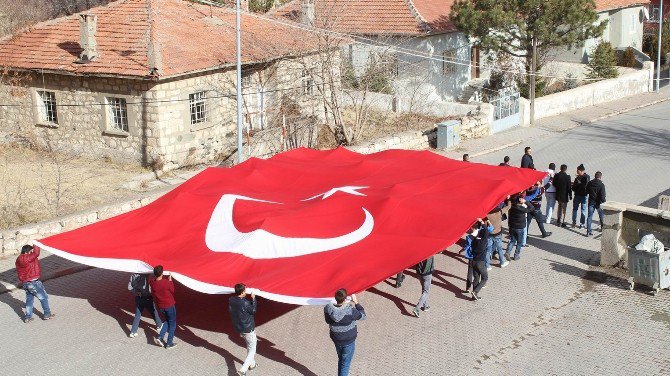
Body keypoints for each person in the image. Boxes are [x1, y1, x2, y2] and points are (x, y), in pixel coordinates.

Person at [324, 289, 366, 376]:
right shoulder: (350, 310)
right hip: (348, 341)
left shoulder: (327, 308)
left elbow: (327, 321)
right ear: (345, 299)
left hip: (336, 339)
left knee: (341, 360)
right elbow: (363, 316)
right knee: (345, 364)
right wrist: (356, 303)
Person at [16, 245, 54, 322]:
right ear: (26, 252)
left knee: (29, 300)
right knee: (43, 298)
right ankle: (47, 314)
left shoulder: (19, 258)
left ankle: (28, 317)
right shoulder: (27, 258)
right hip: (33, 283)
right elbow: (36, 253)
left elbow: (34, 255)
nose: (32, 253)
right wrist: (36, 243)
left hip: (25, 283)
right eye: (31, 251)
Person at [229, 283, 258, 376]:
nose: (246, 292)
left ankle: (252, 364)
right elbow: (253, 310)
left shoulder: (231, 300)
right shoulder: (245, 302)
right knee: (252, 348)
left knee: (249, 346)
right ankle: (242, 370)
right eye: (245, 290)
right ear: (242, 292)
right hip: (248, 329)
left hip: (239, 328)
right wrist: (253, 299)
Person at [149, 265, 177, 349]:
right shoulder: (166, 282)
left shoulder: (152, 283)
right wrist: (170, 280)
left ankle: (160, 337)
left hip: (161, 307)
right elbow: (172, 290)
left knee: (167, 321)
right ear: (162, 273)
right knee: (172, 324)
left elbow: (151, 279)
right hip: (169, 306)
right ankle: (169, 343)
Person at [128, 273, 163, 338]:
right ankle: (159, 325)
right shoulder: (147, 275)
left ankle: (133, 332)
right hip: (147, 297)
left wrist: (136, 291)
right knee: (153, 311)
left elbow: (129, 287)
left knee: (138, 315)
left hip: (138, 298)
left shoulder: (133, 275)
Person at [505, 195, 535, 261]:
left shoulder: (511, 207)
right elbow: (532, 208)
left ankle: (507, 252)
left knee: (512, 240)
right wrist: (526, 201)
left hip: (512, 226)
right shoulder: (522, 209)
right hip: (520, 227)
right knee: (519, 242)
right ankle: (516, 255)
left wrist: (508, 199)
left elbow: (506, 203)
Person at [470, 219, 493, 301]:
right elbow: (486, 232)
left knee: (476, 278)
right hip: (480, 262)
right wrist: (483, 223)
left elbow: (484, 232)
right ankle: (475, 291)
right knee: (485, 278)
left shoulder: (474, 241)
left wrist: (481, 224)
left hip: (474, 261)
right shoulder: (483, 242)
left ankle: (474, 297)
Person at [486, 198, 511, 268]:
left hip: (489, 234)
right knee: (499, 248)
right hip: (497, 233)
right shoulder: (499, 211)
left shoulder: (486, 214)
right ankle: (502, 262)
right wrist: (508, 199)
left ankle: (487, 266)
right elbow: (508, 207)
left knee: (488, 250)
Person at [585, 171, 607, 236]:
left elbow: (586, 191)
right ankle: (603, 229)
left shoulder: (590, 183)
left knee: (589, 217)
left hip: (591, 202)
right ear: (600, 177)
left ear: (595, 176)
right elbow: (602, 196)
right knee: (601, 216)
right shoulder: (601, 185)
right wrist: (604, 203)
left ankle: (589, 232)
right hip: (599, 203)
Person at [572, 164, 591, 229]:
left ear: (581, 171)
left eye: (578, 170)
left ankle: (574, 223)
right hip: (584, 196)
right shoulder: (587, 177)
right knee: (583, 210)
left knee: (575, 209)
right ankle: (582, 224)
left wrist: (576, 185)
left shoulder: (577, 178)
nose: (577, 171)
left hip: (578, 195)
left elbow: (573, 188)